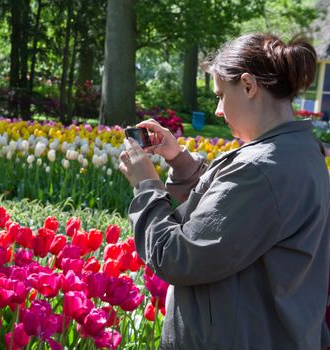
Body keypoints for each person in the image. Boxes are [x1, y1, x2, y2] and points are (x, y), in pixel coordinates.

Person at [119, 33, 330, 350]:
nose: (218, 110)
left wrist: (146, 186)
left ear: (248, 86)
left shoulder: (262, 168)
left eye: (220, 95)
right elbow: (237, 218)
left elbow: (176, 256)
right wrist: (180, 161)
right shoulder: (296, 152)